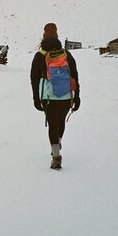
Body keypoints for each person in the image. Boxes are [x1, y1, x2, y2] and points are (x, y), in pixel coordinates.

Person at [30, 23, 80, 169]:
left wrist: (36, 99)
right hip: (66, 95)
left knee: (52, 124)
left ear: (44, 36)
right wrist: (77, 97)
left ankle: (56, 156)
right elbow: (75, 76)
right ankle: (57, 143)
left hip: (48, 97)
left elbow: (34, 79)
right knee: (60, 122)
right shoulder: (66, 54)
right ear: (57, 35)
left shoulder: (40, 55)